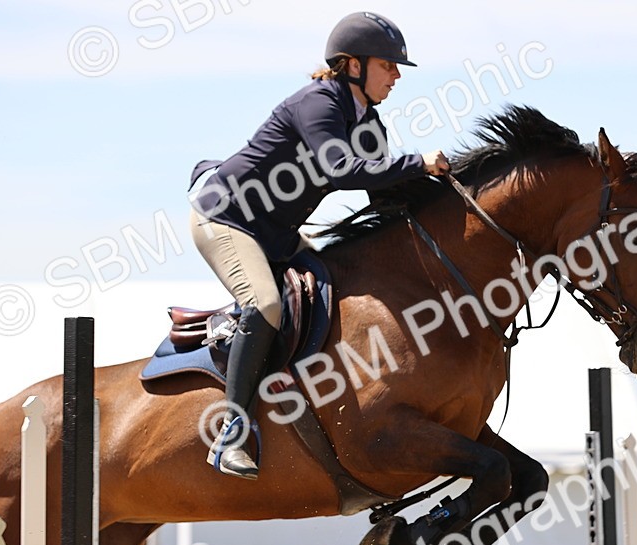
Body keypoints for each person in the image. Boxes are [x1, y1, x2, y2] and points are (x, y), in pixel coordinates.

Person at [189, 11, 450, 480]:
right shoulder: (317, 103)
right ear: (352, 65)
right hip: (225, 218)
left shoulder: (367, 119)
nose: (395, 77)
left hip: (277, 234)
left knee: (336, 280)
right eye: (388, 66)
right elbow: (342, 169)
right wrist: (418, 162)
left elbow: (384, 197)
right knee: (266, 303)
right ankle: (230, 432)